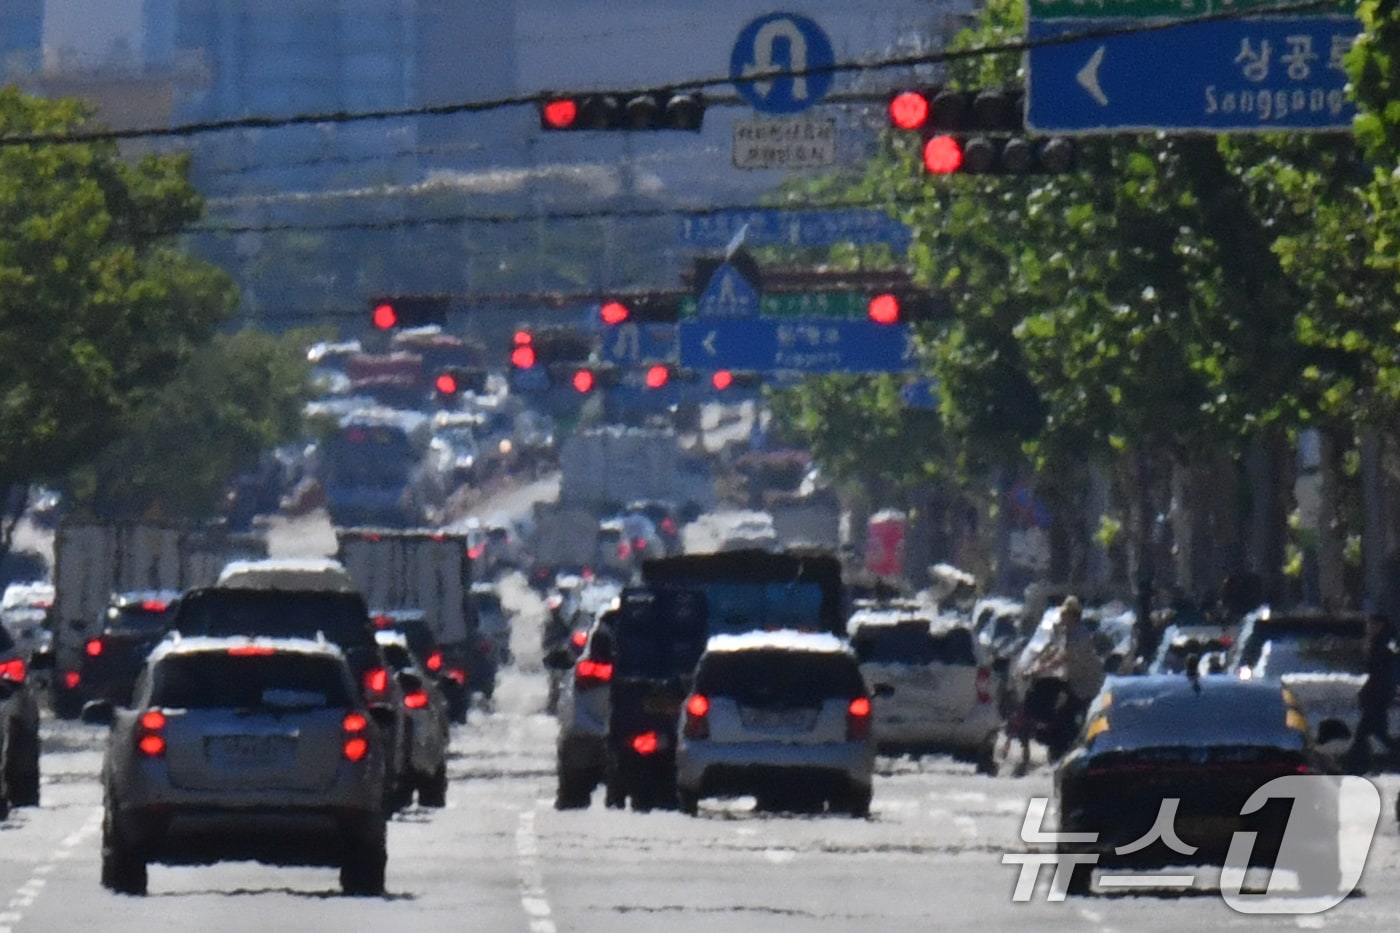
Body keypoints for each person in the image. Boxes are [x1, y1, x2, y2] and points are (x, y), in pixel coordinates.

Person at [1346, 613, 1397, 773]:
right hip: (1377, 692)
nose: (1369, 628)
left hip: (1379, 693)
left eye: (1372, 624)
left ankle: (1353, 765)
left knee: (1367, 732)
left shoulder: (1384, 644)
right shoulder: (1378, 642)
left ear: (1380, 625)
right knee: (1374, 732)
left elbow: (1384, 671)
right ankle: (1355, 764)